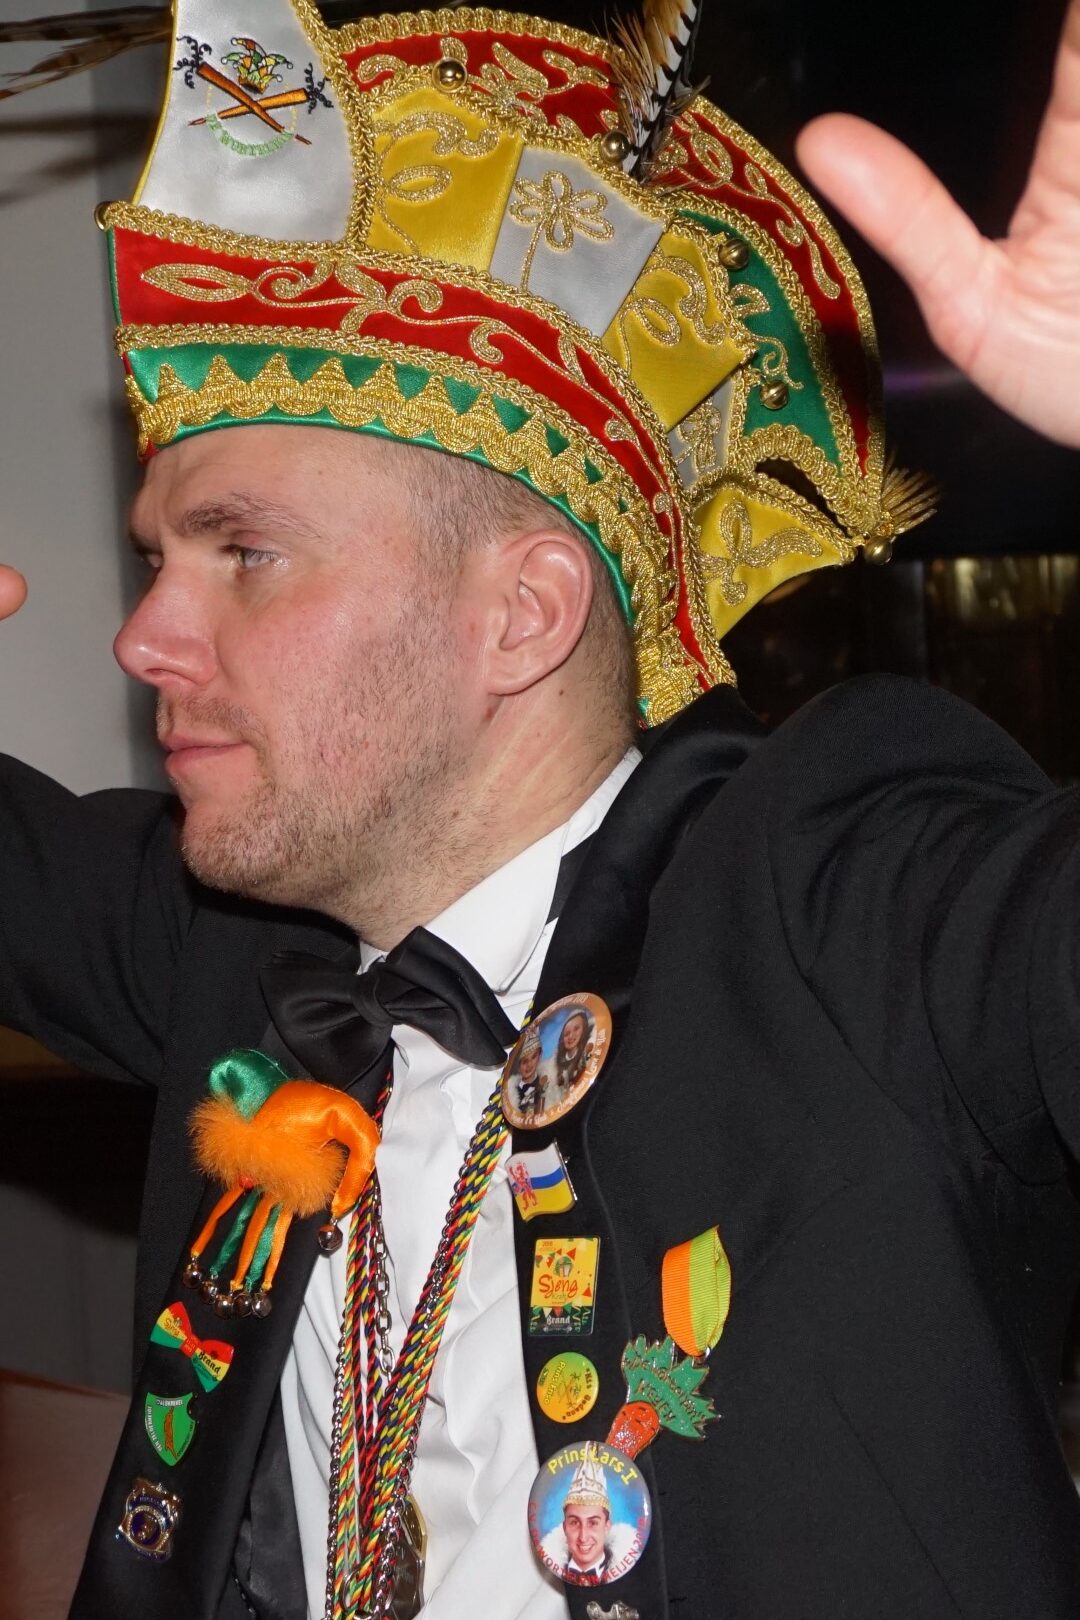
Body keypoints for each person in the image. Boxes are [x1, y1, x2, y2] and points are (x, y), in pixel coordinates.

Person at [1, 0, 1079, 1617]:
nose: (144, 635)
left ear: (523, 616)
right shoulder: (235, 935)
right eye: (162, 558)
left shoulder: (836, 897)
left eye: (245, 553)